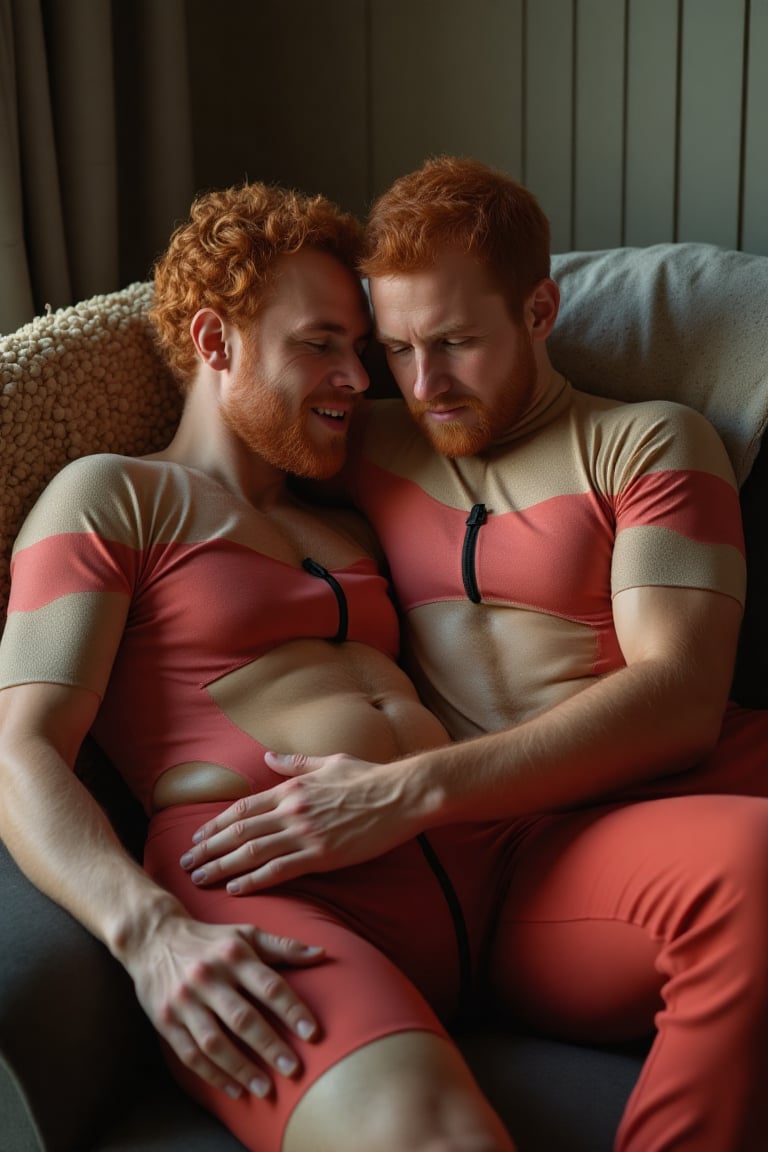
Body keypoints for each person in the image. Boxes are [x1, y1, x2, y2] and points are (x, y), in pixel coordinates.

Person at [181, 158, 768, 1152]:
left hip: (673, 804)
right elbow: (227, 405)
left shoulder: (647, 444)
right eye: (397, 348)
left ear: (540, 309)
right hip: (522, 866)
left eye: (454, 343)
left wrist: (408, 790)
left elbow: (678, 699)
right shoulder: (363, 443)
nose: (423, 386)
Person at [0, 182, 516, 1152]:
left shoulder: (352, 516)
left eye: (361, 352)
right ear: (214, 341)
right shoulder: (113, 497)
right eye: (319, 344)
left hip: (472, 867)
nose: (358, 380)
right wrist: (149, 932)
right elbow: (19, 750)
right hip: (270, 898)